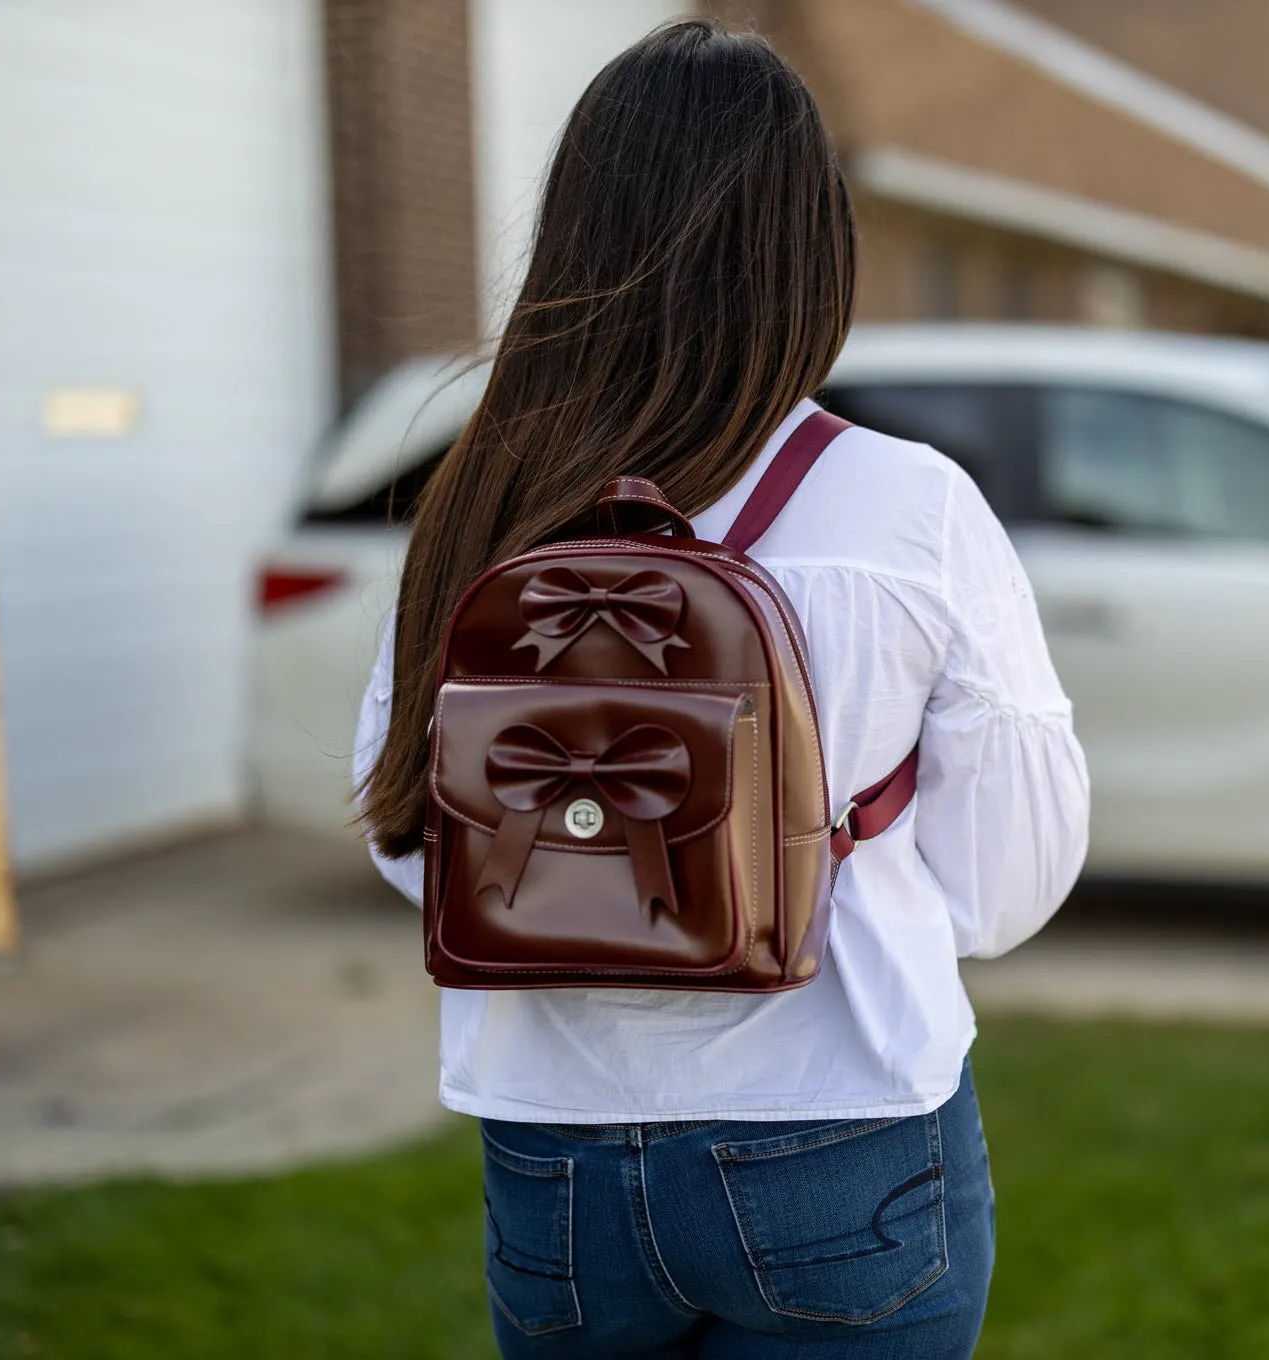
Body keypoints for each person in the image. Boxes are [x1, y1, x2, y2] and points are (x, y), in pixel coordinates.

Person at [352, 19, 1088, 1358]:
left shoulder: (485, 498)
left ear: (573, 236)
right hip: (843, 1114)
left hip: (553, 1142)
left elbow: (414, 839)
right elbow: (1005, 886)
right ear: (813, 252)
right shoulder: (908, 507)